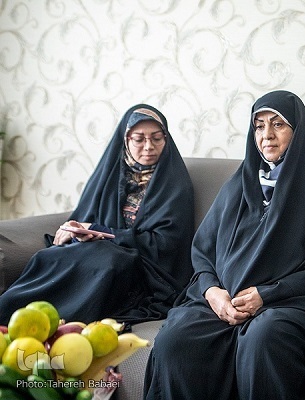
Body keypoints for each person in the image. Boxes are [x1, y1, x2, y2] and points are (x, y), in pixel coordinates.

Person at [143, 90, 305, 400]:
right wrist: (212, 292)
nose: (267, 135)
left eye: (278, 124)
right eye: (259, 125)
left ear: (298, 131)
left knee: (262, 338)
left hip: (291, 302)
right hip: (225, 300)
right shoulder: (238, 185)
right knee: (175, 342)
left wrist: (267, 295)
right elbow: (203, 250)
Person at [0, 104, 195, 325]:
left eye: (157, 138)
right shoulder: (111, 174)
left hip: (144, 267)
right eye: (139, 139)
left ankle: (59, 325)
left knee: (108, 261)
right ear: (125, 140)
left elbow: (166, 244)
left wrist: (101, 231)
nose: (149, 146)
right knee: (49, 256)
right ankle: (8, 316)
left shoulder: (176, 185)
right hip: (98, 249)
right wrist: (76, 230)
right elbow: (86, 217)